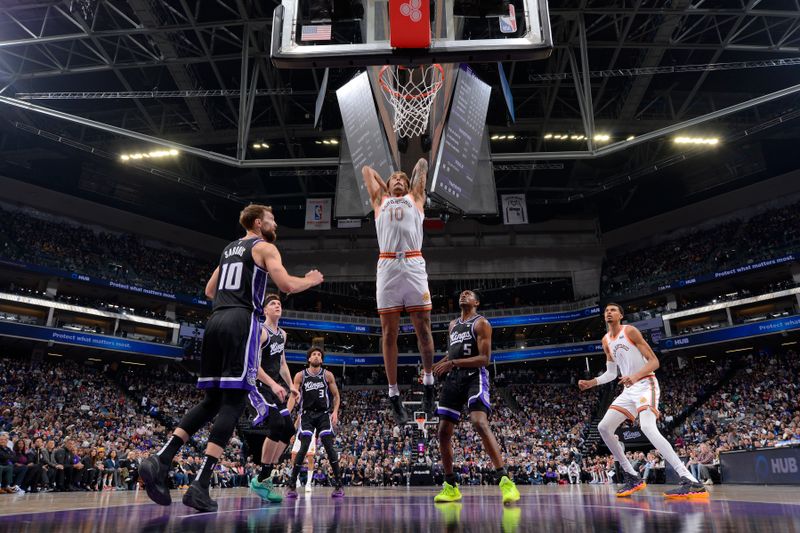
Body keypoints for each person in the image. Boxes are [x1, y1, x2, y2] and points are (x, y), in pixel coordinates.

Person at [139, 204, 324, 513]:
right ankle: (200, 483)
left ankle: (161, 459)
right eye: (271, 218)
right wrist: (311, 280)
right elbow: (288, 285)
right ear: (257, 222)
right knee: (234, 402)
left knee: (211, 401)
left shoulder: (228, 249)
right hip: (241, 321)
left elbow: (210, 290)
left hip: (215, 322)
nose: (275, 222)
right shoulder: (264, 246)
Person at [578, 303, 709, 499]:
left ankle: (689, 480)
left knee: (648, 427)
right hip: (629, 389)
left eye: (613, 310)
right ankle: (632, 476)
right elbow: (612, 373)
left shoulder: (630, 331)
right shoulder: (606, 340)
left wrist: (635, 375)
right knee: (604, 428)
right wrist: (592, 382)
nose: (609, 313)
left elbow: (654, 361)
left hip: (646, 384)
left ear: (621, 315)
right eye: (606, 311)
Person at [362, 159, 436, 423]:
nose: (396, 180)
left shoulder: (415, 198)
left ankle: (428, 381)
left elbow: (423, 163)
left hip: (414, 263)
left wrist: (408, 179)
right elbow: (367, 170)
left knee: (423, 328)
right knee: (389, 332)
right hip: (388, 264)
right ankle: (394, 394)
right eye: (393, 178)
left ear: (407, 184)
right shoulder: (379, 201)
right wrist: (386, 182)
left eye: (400, 179)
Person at [431, 290, 520, 505]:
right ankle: (451, 486)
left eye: (469, 294)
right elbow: (452, 354)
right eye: (461, 293)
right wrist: (438, 364)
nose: (463, 294)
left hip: (474, 376)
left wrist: (452, 363)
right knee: (443, 431)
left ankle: (506, 481)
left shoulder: (482, 324)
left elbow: (484, 359)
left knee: (479, 422)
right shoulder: (453, 325)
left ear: (476, 302)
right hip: (454, 378)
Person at [248, 294, 300, 503]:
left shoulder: (283, 334)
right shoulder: (261, 332)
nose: (277, 305)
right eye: (272, 304)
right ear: (265, 311)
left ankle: (264, 477)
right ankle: (263, 477)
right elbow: (253, 365)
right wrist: (273, 383)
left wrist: (291, 387)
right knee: (277, 424)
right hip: (259, 386)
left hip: (275, 387)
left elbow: (282, 364)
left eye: (279, 303)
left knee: (289, 430)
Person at [285, 347, 344, 498]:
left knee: (329, 446)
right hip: (307, 414)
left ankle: (338, 485)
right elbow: (293, 396)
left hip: (323, 414)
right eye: (314, 354)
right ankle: (292, 485)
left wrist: (335, 411)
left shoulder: (327, 375)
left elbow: (336, 395)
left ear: (322, 360)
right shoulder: (300, 375)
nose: (317, 356)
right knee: (303, 446)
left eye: (319, 355)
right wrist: (286, 413)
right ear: (309, 359)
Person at [289, 428, 316, 493]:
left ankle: (308, 483)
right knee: (293, 457)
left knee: (310, 458)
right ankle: (296, 479)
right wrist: (292, 434)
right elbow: (298, 421)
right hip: (300, 433)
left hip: (311, 434)